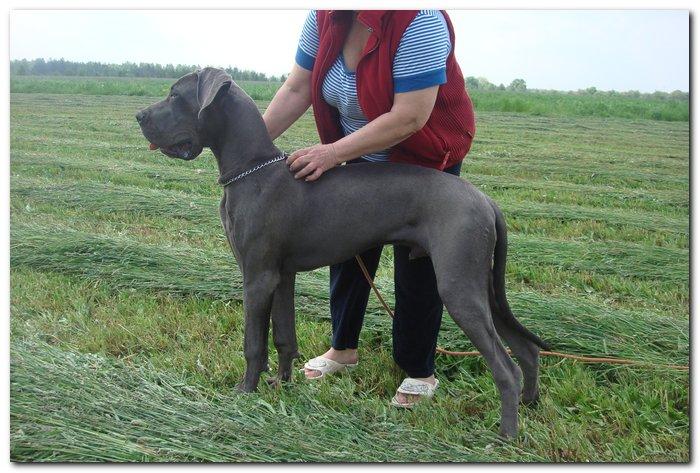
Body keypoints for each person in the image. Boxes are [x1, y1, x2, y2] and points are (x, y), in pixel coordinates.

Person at [262, 9, 475, 407]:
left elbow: (410, 116)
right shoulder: (324, 16)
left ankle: (418, 369)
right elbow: (297, 88)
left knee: (418, 263)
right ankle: (343, 349)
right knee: (345, 248)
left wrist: (332, 153)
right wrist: (248, 148)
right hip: (357, 154)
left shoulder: (419, 19)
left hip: (421, 156)